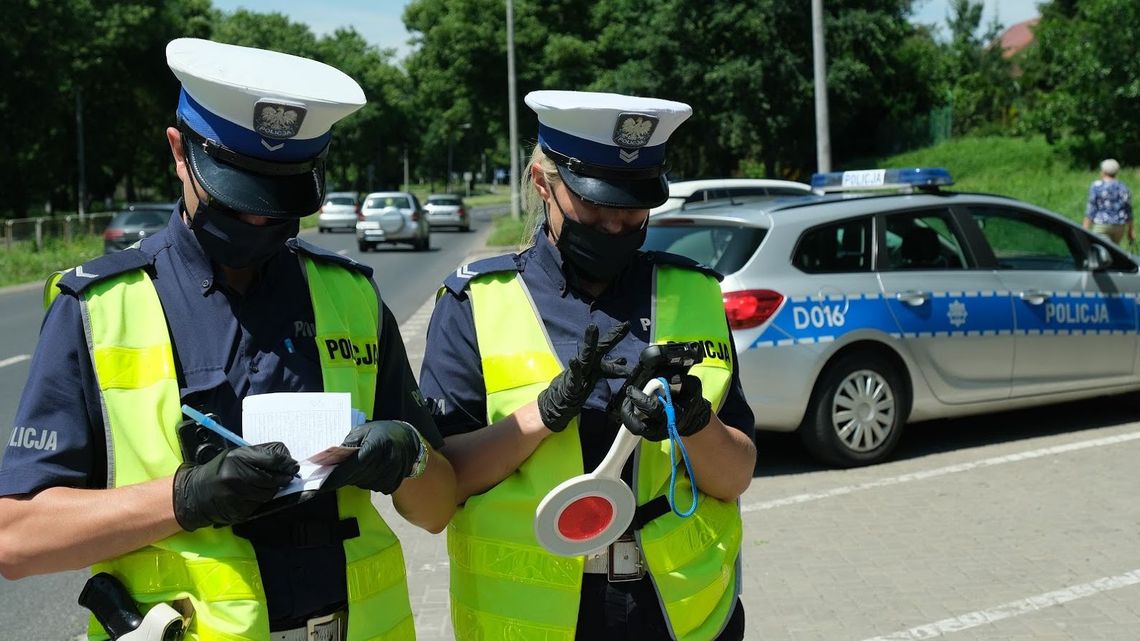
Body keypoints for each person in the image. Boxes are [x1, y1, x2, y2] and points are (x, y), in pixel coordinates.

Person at [0, 38, 455, 641]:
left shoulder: (351, 298)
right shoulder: (99, 309)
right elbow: (16, 540)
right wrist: (189, 497)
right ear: (178, 152)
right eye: (240, 198)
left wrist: (410, 456)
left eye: (281, 199)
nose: (262, 222)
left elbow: (438, 508)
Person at [420, 90, 757, 641]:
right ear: (540, 182)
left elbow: (736, 474)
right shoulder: (476, 301)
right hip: (535, 621)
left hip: (681, 615)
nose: (616, 222)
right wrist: (545, 414)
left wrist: (695, 422)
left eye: (633, 206)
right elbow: (445, 482)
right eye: (595, 203)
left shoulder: (692, 293)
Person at [1083, 158, 1133, 245]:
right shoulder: (1123, 187)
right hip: (1119, 226)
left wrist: (1084, 228)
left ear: (1103, 171)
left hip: (1101, 224)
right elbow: (1128, 210)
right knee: (1114, 252)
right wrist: (1130, 230)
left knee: (1101, 252)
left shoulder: (1096, 186)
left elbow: (1091, 209)